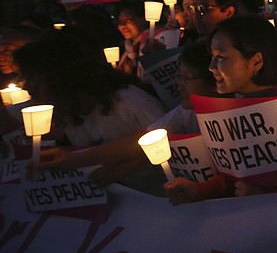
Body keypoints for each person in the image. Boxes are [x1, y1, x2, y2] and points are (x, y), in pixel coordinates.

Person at [163, 16, 277, 204]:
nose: (211, 67)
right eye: (212, 57)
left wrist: (266, 195)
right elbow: (235, 178)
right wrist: (197, 190)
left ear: (256, 61)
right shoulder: (228, 107)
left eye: (222, 57)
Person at [30, 40, 216, 193]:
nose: (179, 85)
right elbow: (146, 136)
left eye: (187, 77)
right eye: (178, 77)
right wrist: (73, 158)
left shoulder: (129, 102)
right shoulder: (184, 113)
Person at [15, 31, 166, 194]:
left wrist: (124, 165)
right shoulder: (67, 110)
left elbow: (167, 133)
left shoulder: (128, 102)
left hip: (160, 198)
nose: (26, 87)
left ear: (60, 77)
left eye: (33, 78)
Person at [115, 4, 150, 77]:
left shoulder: (152, 44)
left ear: (144, 20)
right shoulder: (127, 49)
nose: (122, 26)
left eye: (128, 21)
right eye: (119, 22)